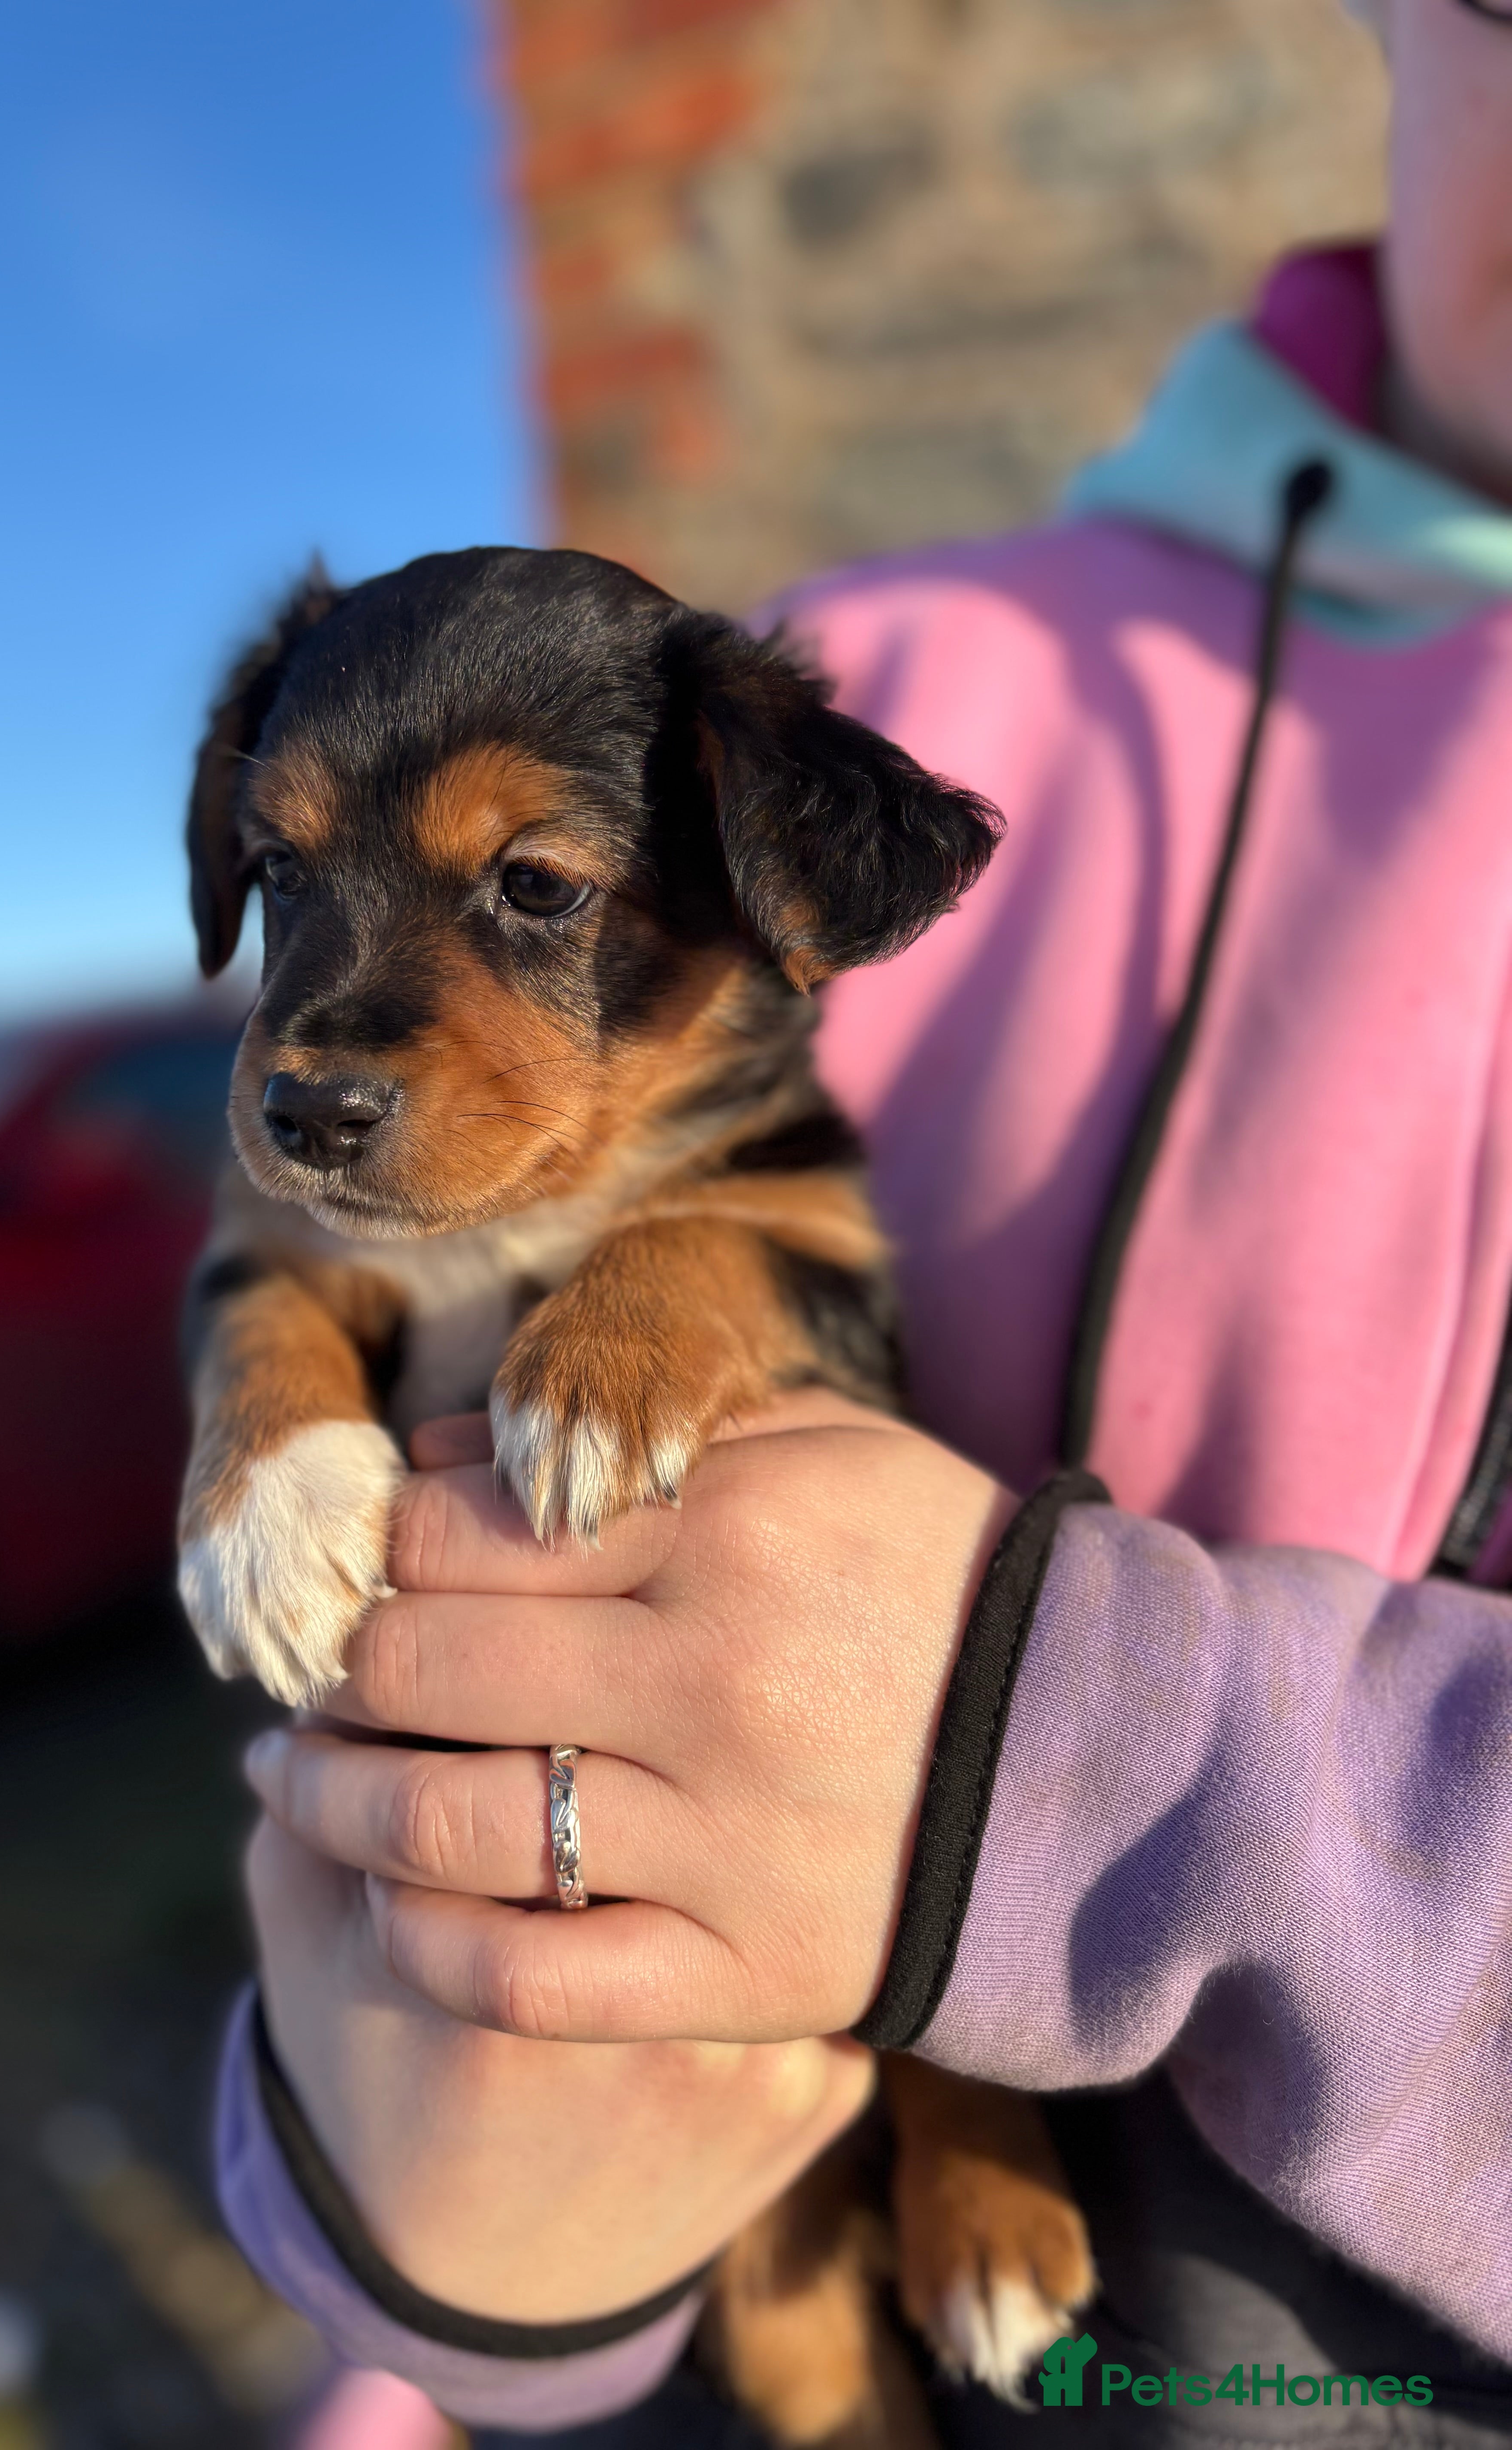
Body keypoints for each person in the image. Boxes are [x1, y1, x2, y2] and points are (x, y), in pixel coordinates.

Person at [216, 0, 1512, 2439]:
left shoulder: (767, 787)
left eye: (531, 887)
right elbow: (391, 1730)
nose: (335, 1021)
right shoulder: (879, 676)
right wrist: (421, 2264)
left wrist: (1052, 1772)